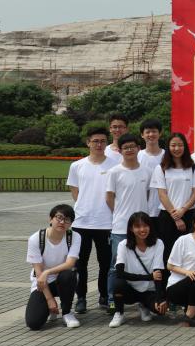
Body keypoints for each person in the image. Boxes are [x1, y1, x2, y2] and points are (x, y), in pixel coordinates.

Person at [66, 126, 119, 314]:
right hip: (82, 222)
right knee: (80, 264)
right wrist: (85, 206)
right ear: (88, 142)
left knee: (106, 263)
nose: (99, 144)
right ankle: (81, 298)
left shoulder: (115, 165)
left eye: (103, 141)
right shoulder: (77, 166)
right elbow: (75, 192)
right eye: (95, 141)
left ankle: (104, 296)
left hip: (106, 222)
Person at [106, 133, 153, 312]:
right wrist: (120, 214)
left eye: (132, 146)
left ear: (138, 148)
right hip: (120, 227)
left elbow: (147, 195)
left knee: (142, 264)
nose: (129, 150)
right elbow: (109, 198)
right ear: (120, 151)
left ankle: (143, 300)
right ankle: (112, 299)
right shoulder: (114, 172)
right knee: (115, 265)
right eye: (125, 148)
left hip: (142, 228)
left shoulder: (147, 171)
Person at [25, 205, 81, 330]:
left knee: (68, 274)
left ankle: (67, 313)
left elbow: (70, 263)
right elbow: (39, 273)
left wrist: (48, 272)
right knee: (33, 323)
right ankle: (50, 310)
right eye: (59, 217)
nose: (62, 222)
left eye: (67, 220)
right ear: (50, 219)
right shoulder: (36, 239)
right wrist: (50, 300)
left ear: (71, 223)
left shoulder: (74, 237)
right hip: (42, 282)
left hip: (63, 279)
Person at [151, 132, 195, 269]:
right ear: (168, 147)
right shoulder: (161, 168)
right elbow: (162, 194)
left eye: (180, 145)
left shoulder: (193, 167)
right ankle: (167, 281)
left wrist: (183, 210)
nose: (177, 148)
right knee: (167, 252)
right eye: (173, 145)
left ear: (185, 147)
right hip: (167, 217)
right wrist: (176, 217)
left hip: (189, 214)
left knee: (188, 253)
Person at [109, 212, 167, 328]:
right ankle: (119, 313)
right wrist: (148, 277)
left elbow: (158, 273)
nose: (142, 229)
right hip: (131, 290)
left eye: (145, 225)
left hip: (149, 290)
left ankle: (144, 305)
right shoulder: (123, 245)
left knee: (161, 311)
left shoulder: (158, 243)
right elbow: (120, 273)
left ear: (150, 226)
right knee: (118, 283)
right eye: (137, 226)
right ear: (131, 229)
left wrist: (159, 299)